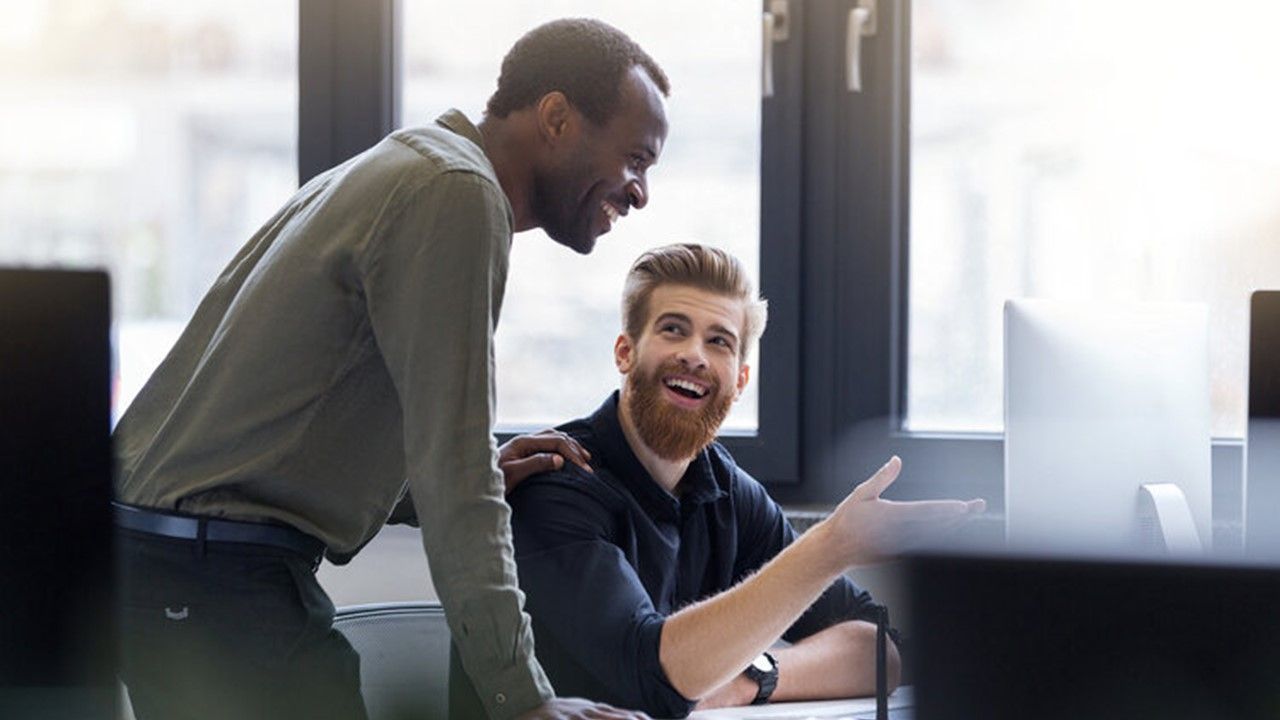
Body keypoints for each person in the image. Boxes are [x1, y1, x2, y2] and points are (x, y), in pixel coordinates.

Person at [112, 18, 667, 720]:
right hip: (214, 579)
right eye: (636, 159)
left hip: (180, 569)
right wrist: (522, 700)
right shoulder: (456, 193)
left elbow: (309, 409)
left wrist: (461, 475)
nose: (641, 192)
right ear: (556, 117)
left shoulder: (408, 165)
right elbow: (454, 472)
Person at [499, 244, 985, 717]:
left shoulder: (725, 489)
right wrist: (830, 546)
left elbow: (881, 648)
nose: (695, 355)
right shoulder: (556, 479)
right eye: (673, 330)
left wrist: (751, 678)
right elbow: (654, 677)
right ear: (625, 352)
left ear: (740, 380)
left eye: (719, 341)